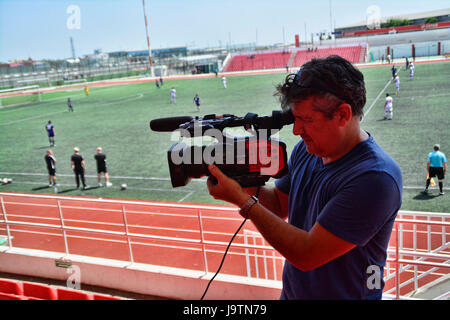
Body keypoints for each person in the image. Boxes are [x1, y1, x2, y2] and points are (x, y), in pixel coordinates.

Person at [206, 55, 403, 300]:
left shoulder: (375, 179)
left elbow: (307, 255)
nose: (297, 130)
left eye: (306, 120)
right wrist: (241, 184)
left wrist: (244, 203)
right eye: (295, 118)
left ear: (342, 114)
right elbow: (279, 204)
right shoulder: (307, 150)